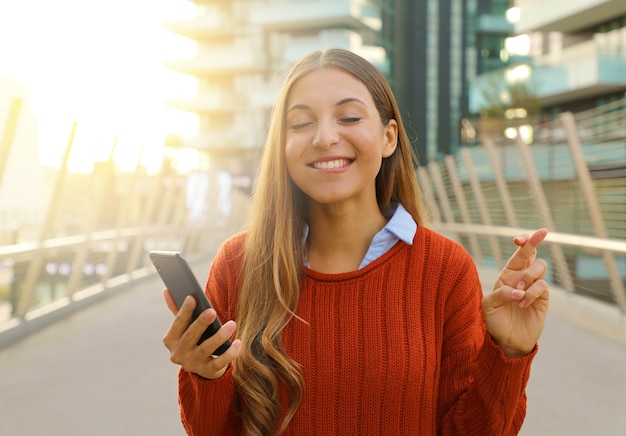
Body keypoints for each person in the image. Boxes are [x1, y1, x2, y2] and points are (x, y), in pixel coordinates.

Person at [162, 48, 549, 435]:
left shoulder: (446, 270)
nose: (325, 137)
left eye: (348, 117)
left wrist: (509, 353)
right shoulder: (239, 264)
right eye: (300, 124)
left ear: (388, 138)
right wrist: (205, 375)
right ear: (281, 146)